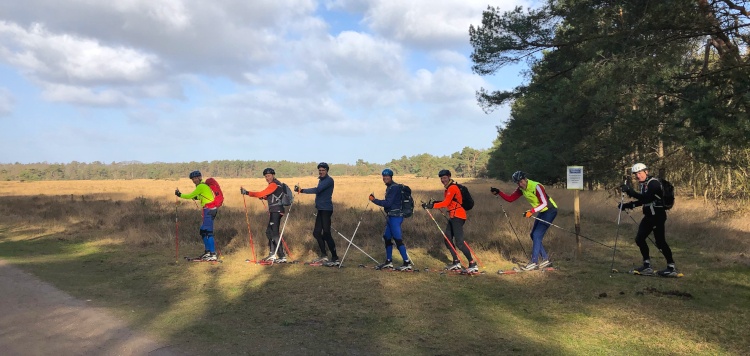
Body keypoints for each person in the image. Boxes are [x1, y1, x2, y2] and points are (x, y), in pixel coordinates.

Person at [619, 163, 677, 277]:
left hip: (658, 216)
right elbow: (644, 201)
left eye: (640, 173)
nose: (638, 176)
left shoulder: (653, 183)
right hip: (649, 216)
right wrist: (627, 205)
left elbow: (646, 198)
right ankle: (647, 266)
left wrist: (630, 192)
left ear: (646, 172)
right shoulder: (644, 184)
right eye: (636, 174)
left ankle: (671, 268)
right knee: (639, 239)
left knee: (660, 242)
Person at [491, 171, 557, 271]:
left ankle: (534, 262)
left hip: (550, 210)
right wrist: (499, 192)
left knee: (536, 235)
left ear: (525, 179)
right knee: (533, 235)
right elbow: (510, 199)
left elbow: (544, 203)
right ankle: (545, 260)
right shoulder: (521, 189)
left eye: (521, 181)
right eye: (518, 183)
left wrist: (531, 211)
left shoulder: (536, 186)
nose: (520, 184)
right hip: (542, 211)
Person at [422, 169, 477, 273]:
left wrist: (431, 205)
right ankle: (456, 262)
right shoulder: (447, 189)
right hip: (453, 216)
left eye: (444, 178)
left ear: (449, 177)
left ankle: (472, 264)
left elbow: (446, 203)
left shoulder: (452, 187)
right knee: (447, 239)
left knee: (459, 243)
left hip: (458, 216)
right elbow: (448, 202)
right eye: (441, 178)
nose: (443, 180)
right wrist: (434, 203)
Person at [241, 168, 289, 263]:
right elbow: (271, 196)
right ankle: (272, 254)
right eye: (266, 176)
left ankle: (282, 256)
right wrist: (263, 197)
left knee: (274, 233)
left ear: (273, 175)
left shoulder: (274, 184)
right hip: (275, 210)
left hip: (276, 210)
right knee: (269, 232)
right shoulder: (275, 184)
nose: (267, 178)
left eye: (269, 176)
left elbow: (261, 193)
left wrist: (247, 193)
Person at [369, 168, 413, 271]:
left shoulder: (394, 188)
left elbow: (388, 203)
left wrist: (374, 200)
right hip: (391, 217)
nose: (385, 178)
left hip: (396, 217)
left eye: (387, 176)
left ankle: (407, 263)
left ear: (391, 177)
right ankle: (388, 262)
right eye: (383, 176)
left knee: (397, 239)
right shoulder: (390, 187)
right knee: (387, 237)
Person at [295, 162, 338, 267]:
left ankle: (335, 258)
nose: (321, 172)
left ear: (327, 171)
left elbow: (317, 190)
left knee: (327, 233)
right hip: (320, 209)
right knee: (317, 233)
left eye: (323, 170)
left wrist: (302, 190)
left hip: (326, 209)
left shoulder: (329, 180)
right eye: (320, 170)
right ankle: (324, 255)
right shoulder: (321, 180)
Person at [175, 170, 218, 261]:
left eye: (195, 178)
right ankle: (207, 252)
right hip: (208, 210)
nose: (194, 180)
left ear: (199, 177)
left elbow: (189, 195)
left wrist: (179, 194)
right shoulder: (202, 186)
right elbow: (202, 196)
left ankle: (213, 254)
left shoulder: (201, 186)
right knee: (203, 231)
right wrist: (196, 197)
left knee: (208, 232)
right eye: (192, 179)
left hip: (209, 210)